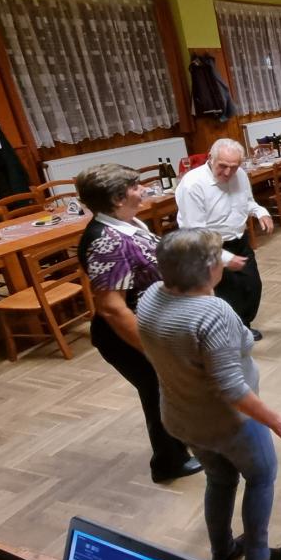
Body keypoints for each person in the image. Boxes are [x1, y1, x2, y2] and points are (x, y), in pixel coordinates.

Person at [137, 229, 281, 560]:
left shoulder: (150, 296)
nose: (223, 261)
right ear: (207, 270)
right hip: (229, 422)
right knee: (261, 477)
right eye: (219, 258)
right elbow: (231, 387)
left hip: (181, 416)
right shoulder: (213, 313)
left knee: (219, 480)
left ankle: (223, 552)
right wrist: (278, 421)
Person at [75, 164, 202, 484]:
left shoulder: (126, 223)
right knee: (159, 392)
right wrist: (151, 349)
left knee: (171, 390)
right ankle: (168, 463)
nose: (143, 189)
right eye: (135, 186)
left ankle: (181, 443)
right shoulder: (107, 241)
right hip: (128, 337)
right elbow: (112, 308)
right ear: (117, 198)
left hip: (152, 327)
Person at [176, 138, 273, 339]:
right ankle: (230, 334)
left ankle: (243, 324)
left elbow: (247, 201)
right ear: (211, 158)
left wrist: (261, 212)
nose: (228, 173)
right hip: (208, 247)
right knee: (225, 294)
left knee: (251, 285)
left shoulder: (240, 175)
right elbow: (195, 232)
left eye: (234, 167)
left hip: (239, 240)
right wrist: (225, 258)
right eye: (223, 166)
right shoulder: (193, 184)